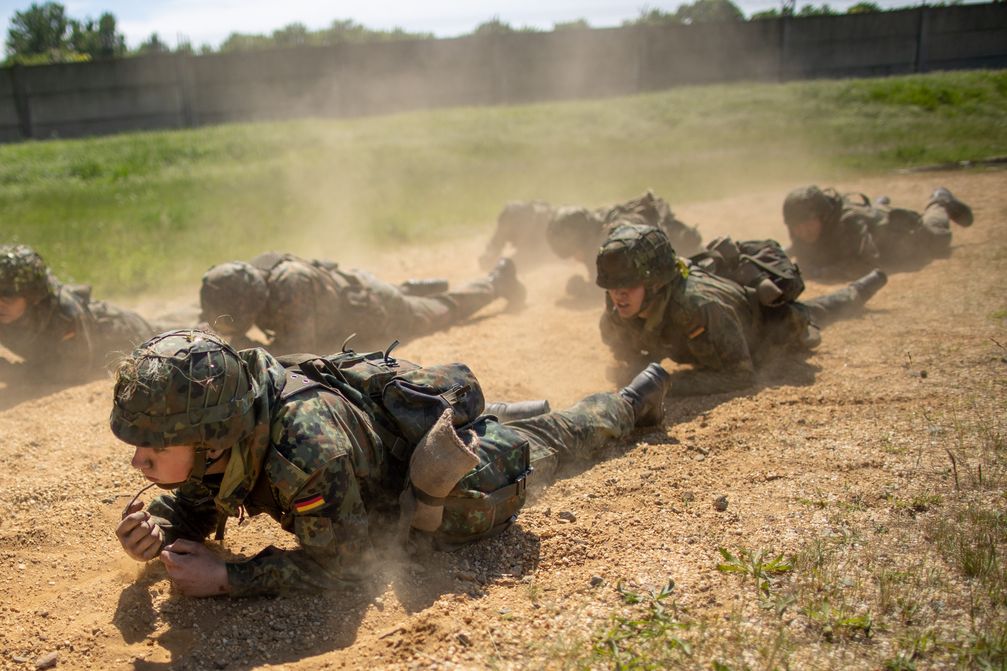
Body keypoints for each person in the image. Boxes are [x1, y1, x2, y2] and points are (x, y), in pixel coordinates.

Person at [110, 328, 670, 597]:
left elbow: (347, 567)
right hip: (375, 441)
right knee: (516, 428)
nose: (138, 459)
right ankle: (491, 418)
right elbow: (203, 494)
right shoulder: (231, 423)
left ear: (211, 434)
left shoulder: (304, 453)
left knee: (551, 440)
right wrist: (162, 524)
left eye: (154, 446)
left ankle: (628, 404)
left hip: (429, 485)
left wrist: (229, 577)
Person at [596, 224, 887, 394]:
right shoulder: (617, 314)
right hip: (709, 339)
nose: (618, 295)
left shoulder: (700, 306)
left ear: (656, 283)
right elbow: (639, 352)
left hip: (770, 333)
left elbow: (740, 375)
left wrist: (666, 384)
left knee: (819, 312)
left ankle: (861, 288)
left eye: (629, 284)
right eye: (613, 285)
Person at [199, 252, 526, 355]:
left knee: (442, 310)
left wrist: (244, 346)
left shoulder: (289, 286)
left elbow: (298, 355)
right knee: (411, 297)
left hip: (377, 311)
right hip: (350, 293)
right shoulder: (252, 279)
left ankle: (497, 281)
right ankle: (413, 289)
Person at [0, 244, 161, 386]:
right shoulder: (12, 311)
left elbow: (70, 372)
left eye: (7, 295)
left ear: (31, 296)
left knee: (173, 333)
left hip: (126, 331)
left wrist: (13, 372)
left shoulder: (65, 317)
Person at [782, 185, 974, 279]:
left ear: (823, 217)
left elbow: (866, 264)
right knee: (873, 216)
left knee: (938, 238)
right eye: (796, 226)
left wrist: (820, 272)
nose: (802, 231)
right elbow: (800, 248)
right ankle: (879, 206)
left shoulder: (849, 224)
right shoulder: (805, 229)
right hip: (873, 227)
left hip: (905, 236)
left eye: (808, 223)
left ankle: (939, 201)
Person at [546, 190, 703, 300]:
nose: (575, 258)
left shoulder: (608, 242)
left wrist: (581, 289)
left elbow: (608, 288)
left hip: (681, 251)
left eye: (575, 252)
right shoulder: (597, 223)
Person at [478, 200, 557, 272]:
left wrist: (501, 266)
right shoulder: (509, 220)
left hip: (556, 244)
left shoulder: (542, 227)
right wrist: (489, 256)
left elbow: (529, 257)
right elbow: (496, 243)